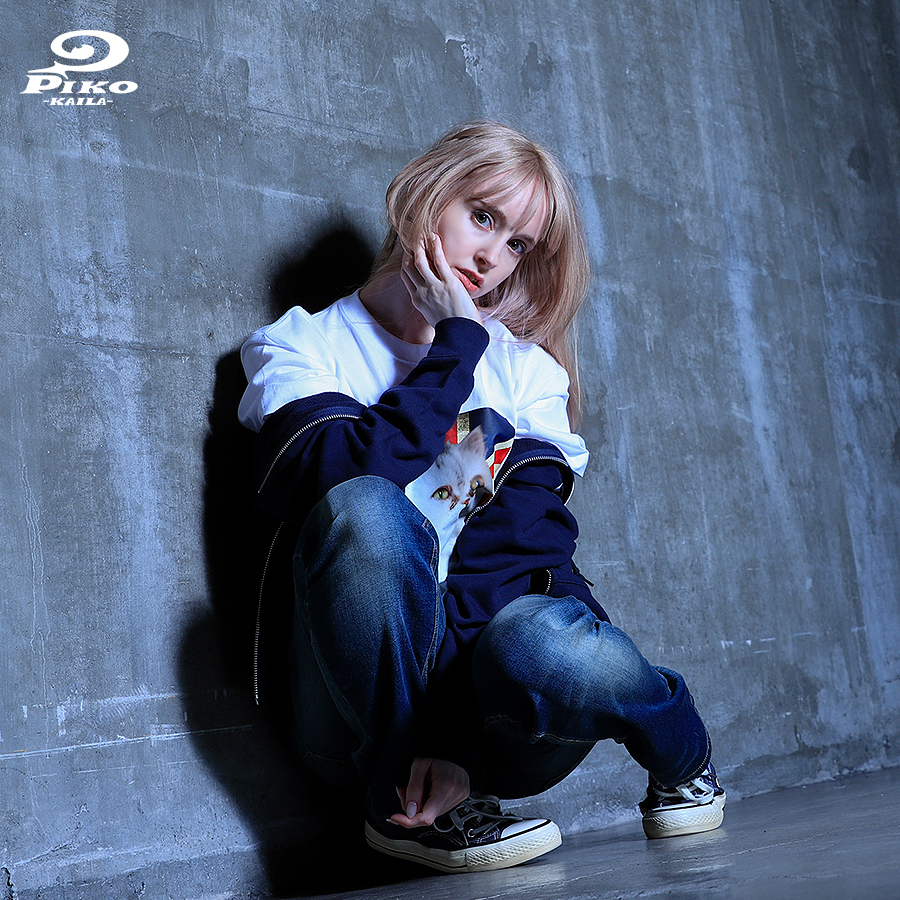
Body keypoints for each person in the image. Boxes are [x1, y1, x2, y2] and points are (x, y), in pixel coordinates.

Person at [237, 121, 725, 875]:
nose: (493, 256)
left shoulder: (526, 374)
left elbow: (517, 553)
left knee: (549, 640)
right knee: (366, 509)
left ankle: (681, 749)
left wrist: (453, 747)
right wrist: (454, 350)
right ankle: (402, 797)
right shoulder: (301, 347)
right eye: (484, 217)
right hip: (347, 717)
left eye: (519, 244)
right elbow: (339, 489)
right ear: (424, 194)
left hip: (498, 725)